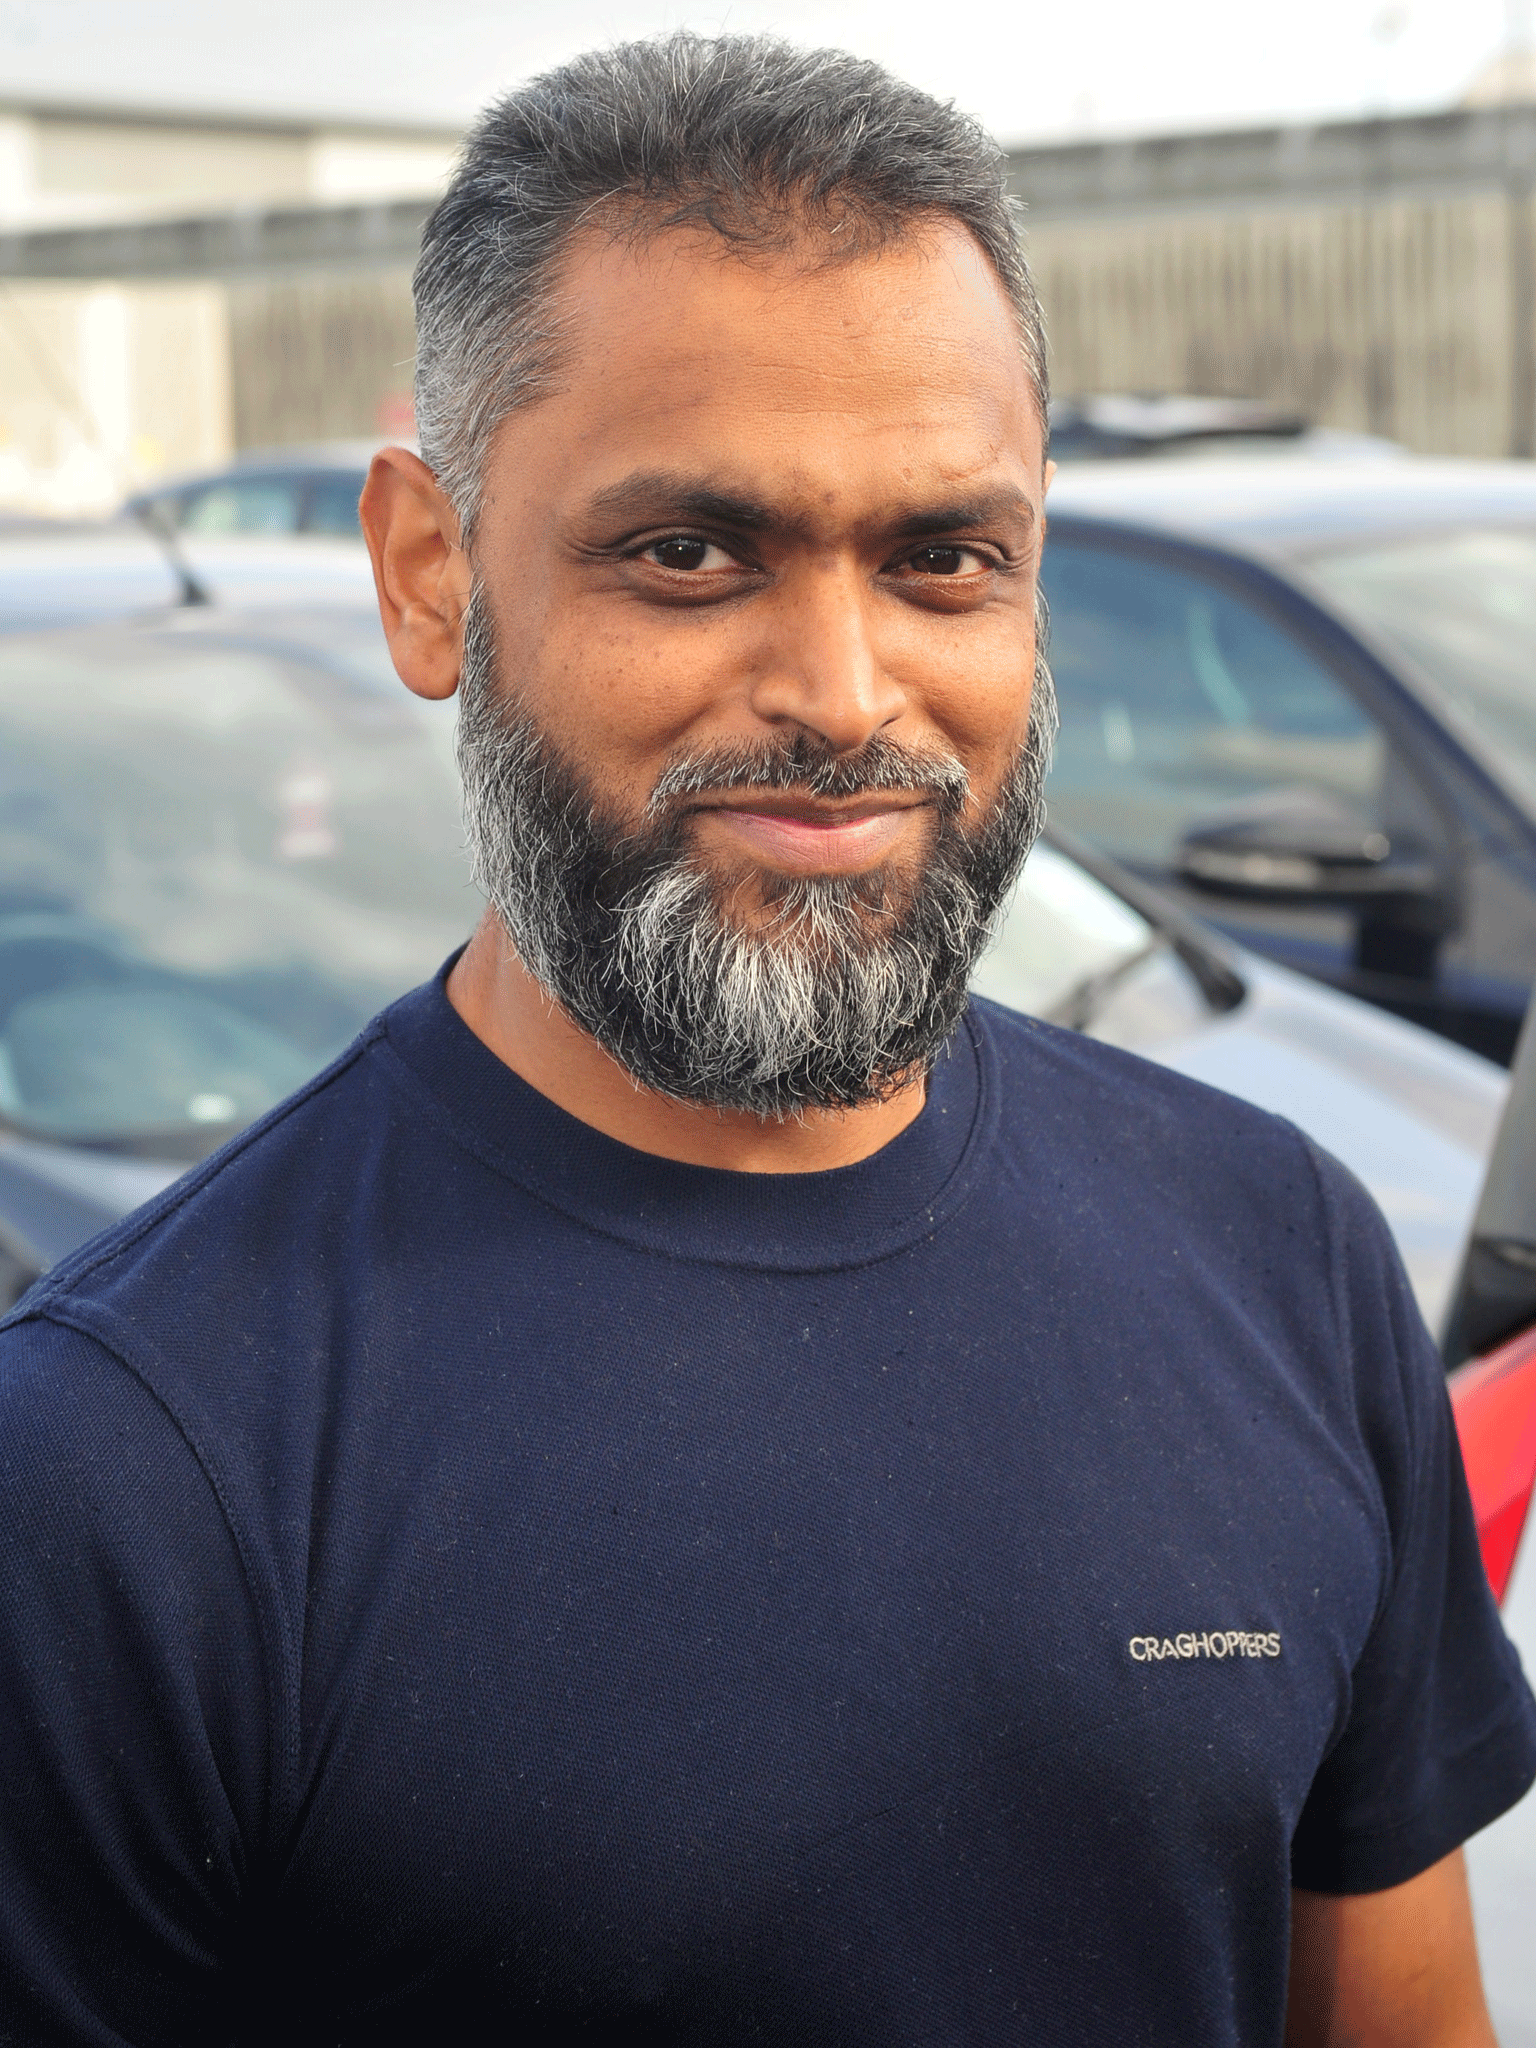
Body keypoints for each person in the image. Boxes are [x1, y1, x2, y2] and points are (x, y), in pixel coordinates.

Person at [0, 33, 1531, 2047]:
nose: (842, 690)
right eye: (691, 552)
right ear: (430, 571)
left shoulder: (1286, 1253)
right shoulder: (126, 1467)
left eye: (943, 558)